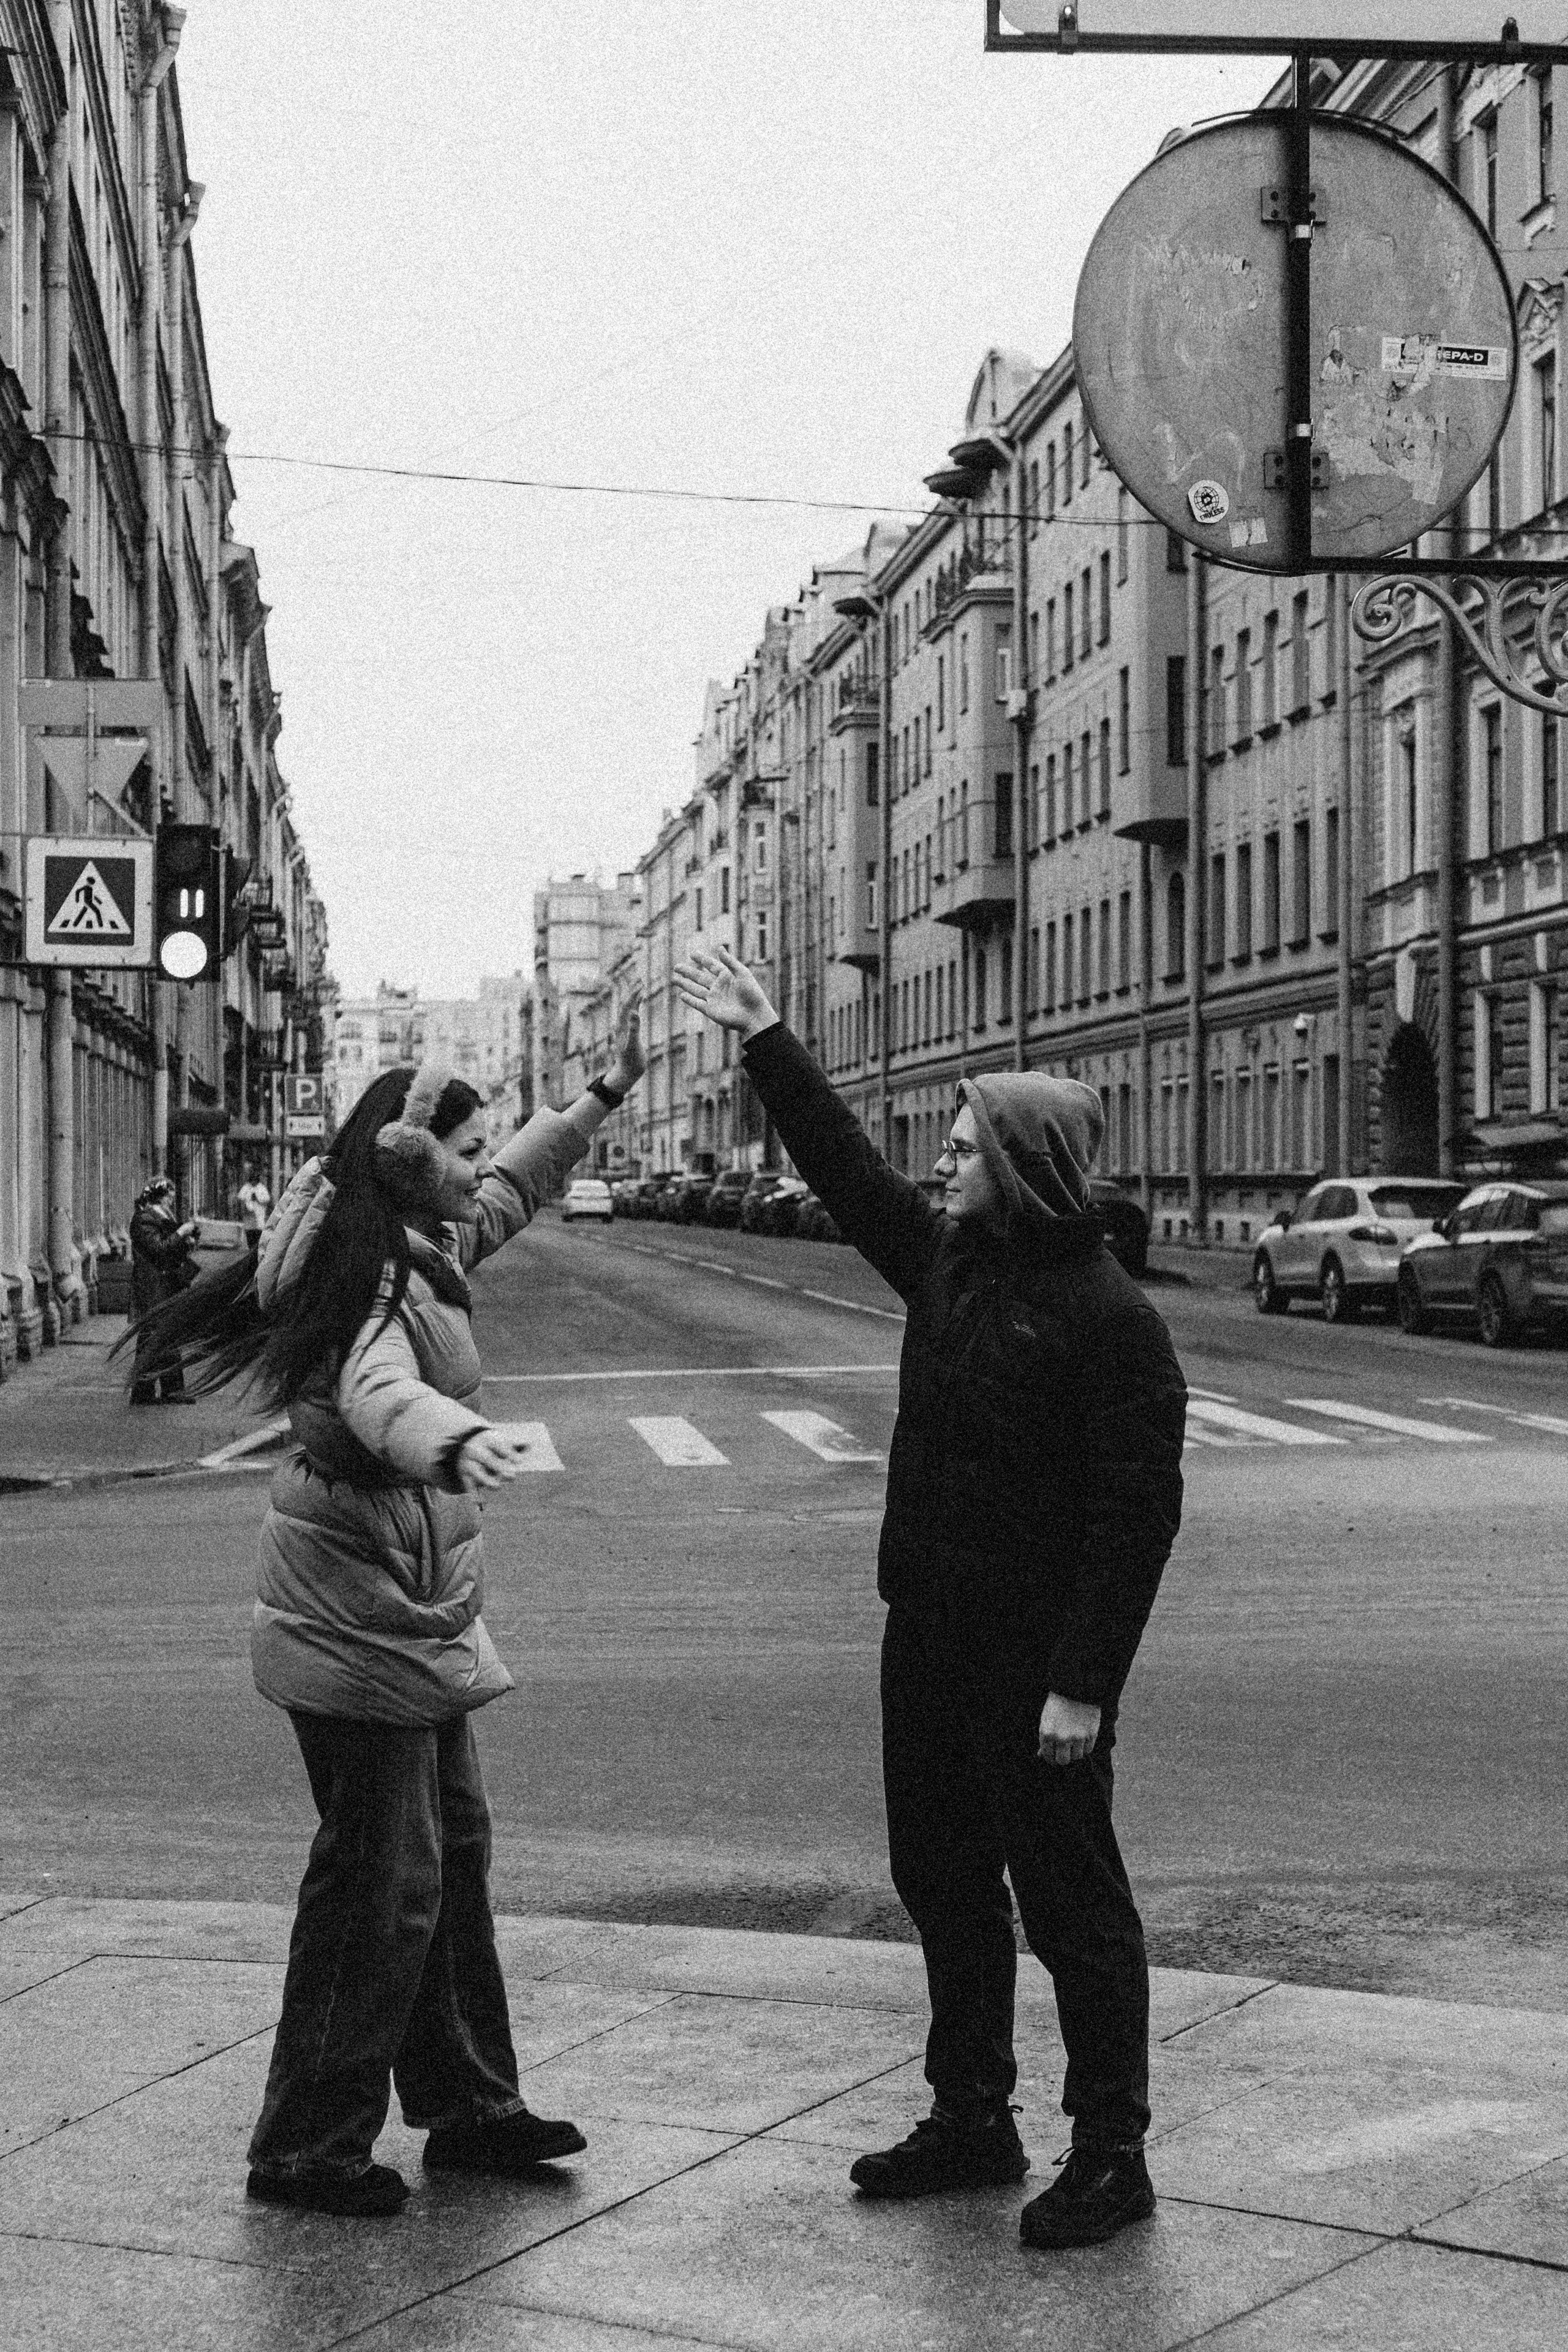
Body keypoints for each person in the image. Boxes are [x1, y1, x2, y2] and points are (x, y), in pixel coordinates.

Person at [673, 944, 1186, 2255]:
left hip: (1035, 1669)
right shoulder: (951, 1266)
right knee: (944, 1878)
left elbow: (1136, 1520)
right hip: (930, 1637)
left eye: (961, 1147)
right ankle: (972, 2117)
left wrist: (1083, 1683)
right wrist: (767, 1039)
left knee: (1074, 1909)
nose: (941, 1164)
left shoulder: (1107, 1317)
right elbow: (845, 1173)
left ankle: (1110, 2153)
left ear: (1016, 1166)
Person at [123, 1000, 645, 2218]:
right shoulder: (365, 1276)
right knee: (379, 1876)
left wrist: (598, 1102)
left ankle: (468, 2108)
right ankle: (307, 2142)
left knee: (445, 1854)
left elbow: (511, 1184)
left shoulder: (420, 1240)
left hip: (409, 1615)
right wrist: (453, 1440)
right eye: (459, 1149)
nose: (479, 1169)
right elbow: (375, 1392)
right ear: (411, 1160)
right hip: (351, 1616)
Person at [127, 1175, 198, 1404]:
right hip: (153, 1288)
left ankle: (146, 1391)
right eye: (169, 1195)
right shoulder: (143, 1220)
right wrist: (180, 1233)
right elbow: (158, 1250)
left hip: (165, 1286)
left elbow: (170, 1250)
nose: (172, 1199)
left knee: (156, 1339)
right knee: (158, 1337)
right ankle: (162, 1390)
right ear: (158, 1196)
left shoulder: (162, 1217)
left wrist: (187, 1240)